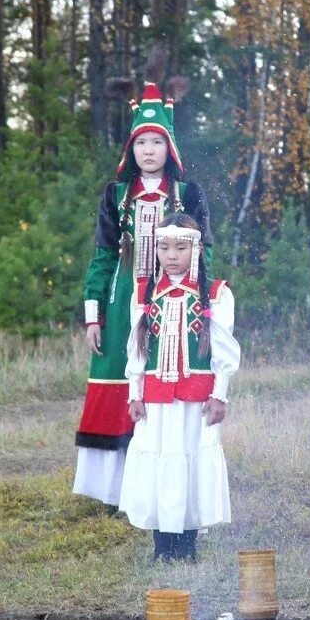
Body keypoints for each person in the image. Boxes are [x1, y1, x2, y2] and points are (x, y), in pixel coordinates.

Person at [75, 52, 210, 508]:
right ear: (129, 150)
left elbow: (203, 250)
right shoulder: (116, 194)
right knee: (119, 378)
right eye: (140, 144)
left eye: (155, 142)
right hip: (121, 301)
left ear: (169, 147)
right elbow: (102, 254)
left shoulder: (188, 193)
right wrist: (93, 314)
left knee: (166, 381)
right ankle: (114, 490)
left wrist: (204, 308)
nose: (147, 151)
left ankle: (160, 484)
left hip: (177, 301)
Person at [119, 214, 239, 562]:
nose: (171, 255)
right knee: (160, 465)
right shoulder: (144, 294)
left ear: (196, 249)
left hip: (196, 399)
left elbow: (224, 349)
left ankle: (187, 546)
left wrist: (220, 393)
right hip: (155, 399)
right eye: (164, 247)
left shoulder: (214, 294)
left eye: (180, 248)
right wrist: (134, 393)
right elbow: (136, 349)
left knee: (189, 465)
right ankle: (162, 547)